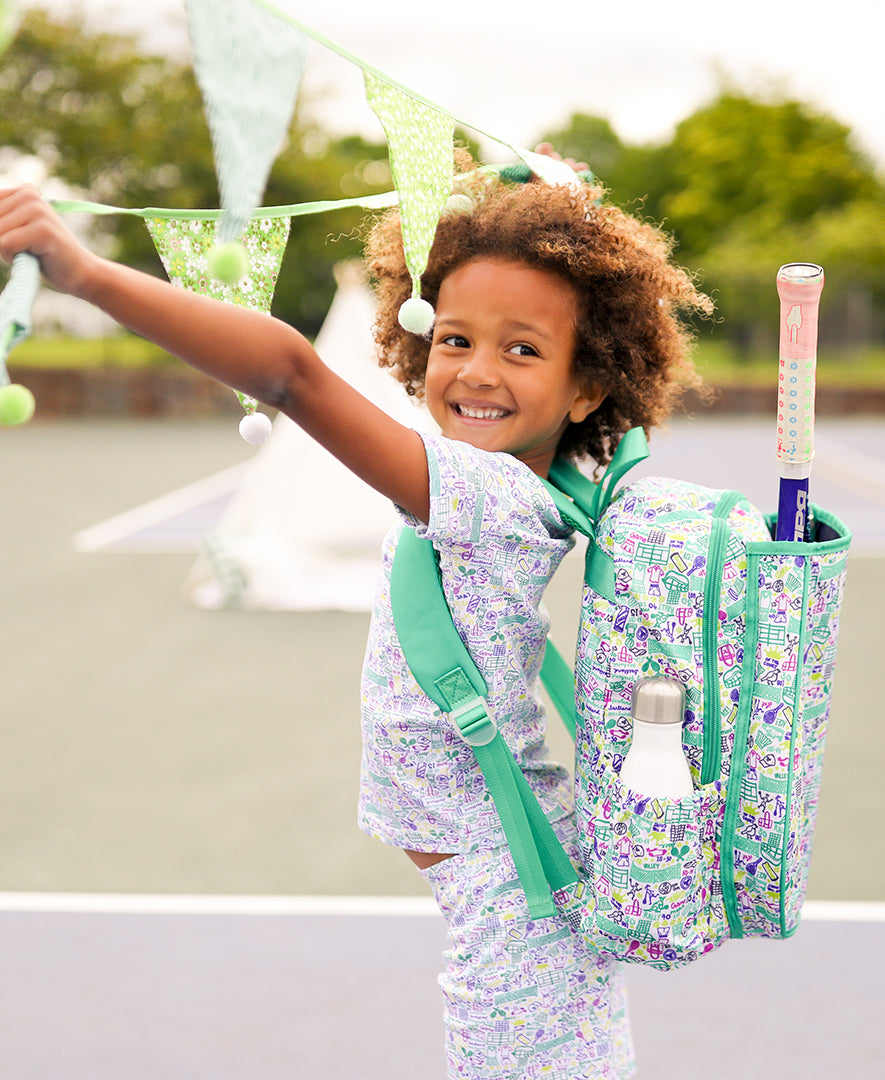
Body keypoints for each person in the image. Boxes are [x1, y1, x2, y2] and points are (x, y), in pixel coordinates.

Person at [0, 155, 711, 1078]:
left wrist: (87, 273)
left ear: (587, 390)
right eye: (453, 338)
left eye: (524, 349)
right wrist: (549, 193)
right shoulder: (531, 480)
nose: (477, 371)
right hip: (511, 870)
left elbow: (292, 374)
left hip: (511, 886)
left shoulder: (482, 495)